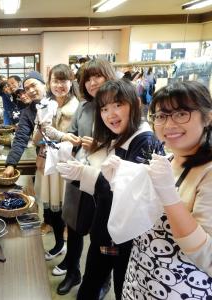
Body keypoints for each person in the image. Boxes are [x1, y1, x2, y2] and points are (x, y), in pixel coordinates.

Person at [57, 79, 163, 300]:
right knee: (90, 285)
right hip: (105, 230)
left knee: (121, 288)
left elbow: (127, 193)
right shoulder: (118, 137)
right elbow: (104, 186)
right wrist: (78, 173)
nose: (110, 114)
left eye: (118, 105)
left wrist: (84, 175)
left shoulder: (145, 140)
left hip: (128, 238)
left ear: (134, 103)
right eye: (104, 108)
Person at [119, 81, 212, 299]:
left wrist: (169, 196)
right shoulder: (168, 160)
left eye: (180, 113)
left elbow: (208, 256)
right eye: (160, 116)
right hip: (139, 280)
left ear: (208, 117)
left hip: (180, 289)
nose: (168, 124)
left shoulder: (208, 172)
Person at [54, 59, 117, 296]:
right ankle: (73, 272)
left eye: (97, 77)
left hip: (105, 181)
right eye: (87, 79)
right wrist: (70, 139)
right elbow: (71, 132)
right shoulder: (84, 107)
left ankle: (103, 280)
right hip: (79, 173)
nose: (92, 83)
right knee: (75, 226)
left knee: (103, 234)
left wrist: (99, 146)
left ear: (108, 76)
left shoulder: (120, 105)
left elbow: (124, 140)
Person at [31, 64, 80, 271]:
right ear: (49, 83)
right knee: (51, 210)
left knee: (67, 211)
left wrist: (53, 135)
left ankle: (69, 256)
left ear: (71, 82)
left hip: (67, 165)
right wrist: (40, 130)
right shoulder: (45, 104)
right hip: (48, 162)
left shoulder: (79, 106)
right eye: (55, 81)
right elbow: (36, 138)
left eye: (63, 80)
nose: (59, 85)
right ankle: (59, 244)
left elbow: (75, 139)